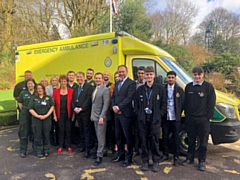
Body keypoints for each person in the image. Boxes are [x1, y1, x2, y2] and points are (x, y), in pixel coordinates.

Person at [182, 66, 216, 171]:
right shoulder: (188, 87)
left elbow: (211, 104)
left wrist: (207, 118)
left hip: (203, 120)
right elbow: (185, 103)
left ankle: (202, 161)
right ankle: (189, 158)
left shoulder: (208, 87)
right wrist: (187, 115)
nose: (197, 77)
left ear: (203, 75)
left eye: (199, 74)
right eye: (195, 74)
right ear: (193, 75)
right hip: (190, 119)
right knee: (191, 140)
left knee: (203, 142)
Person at [134, 66, 167, 172]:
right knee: (144, 142)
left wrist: (159, 114)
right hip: (143, 120)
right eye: (147, 74)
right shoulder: (140, 89)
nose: (148, 76)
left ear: (154, 75)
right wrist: (139, 114)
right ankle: (145, 162)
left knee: (154, 141)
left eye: (150, 74)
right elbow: (135, 105)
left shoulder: (160, 88)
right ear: (144, 76)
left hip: (155, 120)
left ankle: (155, 162)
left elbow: (164, 103)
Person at [111, 65, 136, 167]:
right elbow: (113, 97)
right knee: (118, 135)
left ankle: (128, 158)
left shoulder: (131, 83)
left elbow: (129, 98)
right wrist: (113, 106)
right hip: (117, 114)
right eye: (119, 72)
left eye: (123, 71)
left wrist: (119, 107)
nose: (121, 73)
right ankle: (120, 154)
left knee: (127, 137)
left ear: (127, 71)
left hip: (126, 114)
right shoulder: (117, 83)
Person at [160, 71, 184, 166]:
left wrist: (178, 112)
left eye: (172, 77)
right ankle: (165, 154)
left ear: (175, 78)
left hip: (175, 118)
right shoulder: (162, 89)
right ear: (166, 78)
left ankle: (176, 156)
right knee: (164, 137)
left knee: (176, 138)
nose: (170, 79)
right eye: (169, 77)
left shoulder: (179, 90)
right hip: (165, 117)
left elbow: (183, 103)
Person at [28, 84, 54, 158]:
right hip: (36, 119)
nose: (39, 90)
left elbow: (52, 107)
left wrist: (46, 115)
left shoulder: (48, 98)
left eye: (41, 88)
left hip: (46, 119)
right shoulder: (33, 98)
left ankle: (46, 150)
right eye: (38, 88)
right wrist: (38, 116)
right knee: (37, 135)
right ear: (36, 90)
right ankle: (38, 151)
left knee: (46, 135)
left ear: (43, 89)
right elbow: (30, 109)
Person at [72, 72, 94, 158]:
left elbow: (88, 100)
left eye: (80, 77)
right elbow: (73, 100)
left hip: (85, 113)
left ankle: (88, 150)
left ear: (84, 77)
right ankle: (83, 147)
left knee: (87, 132)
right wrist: (74, 108)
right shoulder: (76, 87)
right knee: (81, 131)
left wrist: (81, 109)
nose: (79, 79)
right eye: (77, 77)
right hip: (78, 114)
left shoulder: (89, 87)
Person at [91, 73, 110, 166]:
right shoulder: (95, 89)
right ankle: (103, 150)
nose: (97, 80)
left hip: (101, 117)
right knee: (98, 136)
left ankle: (99, 155)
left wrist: (102, 116)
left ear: (103, 79)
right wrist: (91, 114)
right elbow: (93, 104)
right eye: (96, 78)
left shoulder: (105, 90)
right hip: (94, 116)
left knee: (100, 136)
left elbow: (106, 104)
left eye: (99, 78)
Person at [52, 75, 74, 154]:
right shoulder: (56, 91)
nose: (63, 83)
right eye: (62, 81)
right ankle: (61, 146)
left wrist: (73, 115)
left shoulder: (71, 91)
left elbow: (74, 104)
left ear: (67, 82)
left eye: (65, 81)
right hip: (59, 114)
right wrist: (54, 115)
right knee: (61, 130)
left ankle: (68, 146)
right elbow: (53, 104)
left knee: (68, 130)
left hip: (69, 114)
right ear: (60, 82)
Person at [18, 78, 36, 158]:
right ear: (26, 85)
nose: (30, 85)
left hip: (35, 114)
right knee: (24, 132)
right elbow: (20, 104)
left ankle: (36, 149)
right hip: (25, 114)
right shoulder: (23, 93)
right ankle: (23, 151)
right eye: (28, 84)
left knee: (35, 132)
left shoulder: (37, 92)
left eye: (31, 83)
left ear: (34, 84)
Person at [133, 66, 146, 157]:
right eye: (139, 73)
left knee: (145, 132)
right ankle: (136, 150)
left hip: (145, 112)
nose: (140, 75)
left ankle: (145, 150)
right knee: (136, 132)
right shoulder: (134, 84)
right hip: (136, 111)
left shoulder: (148, 84)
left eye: (142, 73)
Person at [46, 76, 59, 146]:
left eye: (55, 80)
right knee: (51, 126)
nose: (54, 82)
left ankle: (57, 140)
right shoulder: (47, 88)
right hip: (50, 108)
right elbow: (48, 98)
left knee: (58, 126)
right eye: (53, 80)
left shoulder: (59, 88)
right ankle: (51, 140)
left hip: (58, 109)